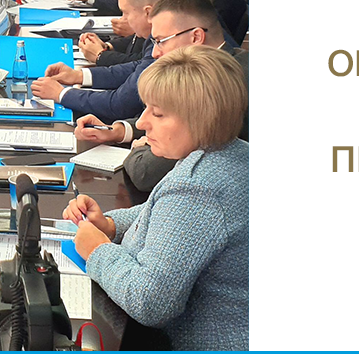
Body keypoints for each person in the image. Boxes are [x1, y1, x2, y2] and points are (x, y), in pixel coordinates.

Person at [63, 46, 248, 350]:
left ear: (201, 118)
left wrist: (97, 250)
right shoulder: (235, 153)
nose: (141, 123)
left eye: (158, 114)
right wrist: (110, 225)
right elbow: (164, 212)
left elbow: (149, 302)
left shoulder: (197, 188)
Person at [74, 0, 249, 192]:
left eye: (161, 41)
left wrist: (138, 149)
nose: (156, 52)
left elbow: (145, 171)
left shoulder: (214, 86)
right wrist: (119, 131)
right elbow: (168, 116)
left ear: (196, 37)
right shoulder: (237, 61)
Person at [31, 0, 173, 124]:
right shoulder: (154, 38)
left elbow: (119, 104)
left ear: (148, 12)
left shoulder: (163, 43)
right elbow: (135, 68)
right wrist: (79, 76)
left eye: (126, 13)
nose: (123, 19)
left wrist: (61, 94)